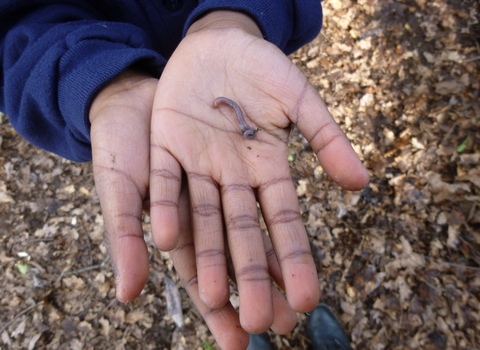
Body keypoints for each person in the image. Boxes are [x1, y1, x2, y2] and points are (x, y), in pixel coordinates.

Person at [0, 1, 369, 349]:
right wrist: (98, 81)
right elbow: (13, 21)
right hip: (116, 74)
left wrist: (233, 16)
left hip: (232, 51)